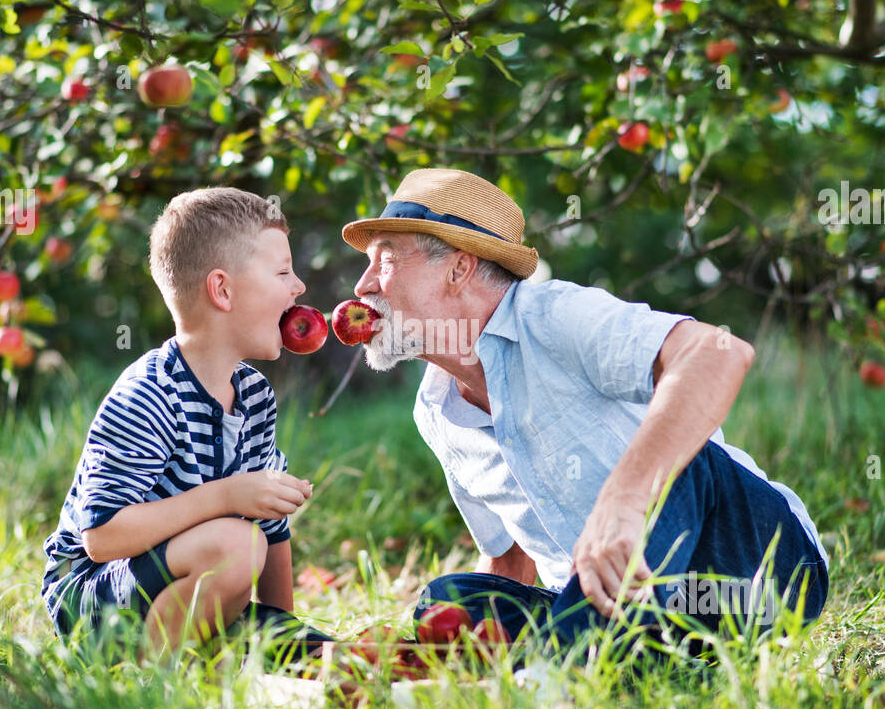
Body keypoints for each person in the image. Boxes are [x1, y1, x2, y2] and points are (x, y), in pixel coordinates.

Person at [339, 168, 829, 662]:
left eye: (386, 260)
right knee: (453, 601)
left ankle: (562, 677)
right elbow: (511, 560)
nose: (362, 286)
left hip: (756, 571)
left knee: (684, 465)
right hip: (613, 607)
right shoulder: (436, 411)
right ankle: (601, 667)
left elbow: (719, 352)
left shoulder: (554, 315)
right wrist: (455, 640)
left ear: (458, 268)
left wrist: (625, 499)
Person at [41, 187, 329, 660]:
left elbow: (272, 529)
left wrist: (285, 633)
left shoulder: (254, 396)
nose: (298, 287)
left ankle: (202, 668)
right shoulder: (149, 393)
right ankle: (148, 693)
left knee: (316, 652)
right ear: (222, 290)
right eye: (282, 272)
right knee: (238, 545)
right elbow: (102, 537)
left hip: (180, 588)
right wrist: (226, 497)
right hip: (94, 602)